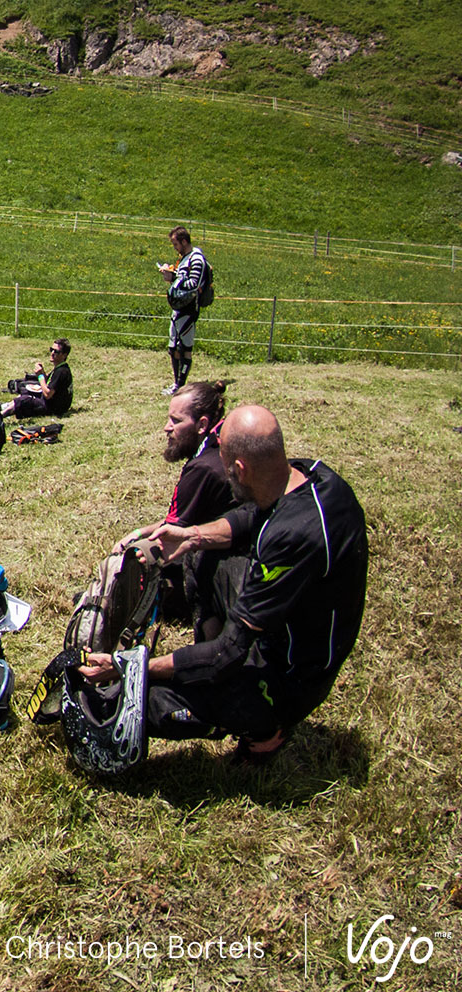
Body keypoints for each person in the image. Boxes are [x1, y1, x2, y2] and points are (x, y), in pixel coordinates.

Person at [85, 405, 367, 762]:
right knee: (201, 556)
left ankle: (265, 729)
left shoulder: (292, 537)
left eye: (225, 463)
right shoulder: (310, 475)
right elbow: (250, 515)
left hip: (292, 678)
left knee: (142, 701)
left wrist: (130, 666)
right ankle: (207, 673)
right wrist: (192, 536)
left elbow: (227, 652)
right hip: (293, 621)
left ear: (241, 470)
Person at [112, 380, 236, 619]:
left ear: (201, 425)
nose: (166, 428)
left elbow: (173, 534)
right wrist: (138, 533)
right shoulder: (218, 446)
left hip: (212, 569)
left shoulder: (203, 469)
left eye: (176, 421)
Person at [159, 226, 210, 395]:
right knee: (173, 348)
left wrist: (174, 278)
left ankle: (180, 386)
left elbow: (194, 285)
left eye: (175, 244)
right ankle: (177, 384)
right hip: (178, 308)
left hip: (188, 308)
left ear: (184, 241)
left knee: (184, 348)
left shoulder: (196, 259)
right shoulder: (184, 258)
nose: (174, 247)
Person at [1, 339, 74, 418]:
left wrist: (40, 376)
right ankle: (4, 407)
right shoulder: (61, 368)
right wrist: (42, 372)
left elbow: (47, 394)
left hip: (53, 408)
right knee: (26, 390)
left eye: (56, 351)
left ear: (64, 355)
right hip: (54, 404)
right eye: (51, 350)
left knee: (24, 401)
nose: (52, 353)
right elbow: (50, 384)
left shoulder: (61, 371)